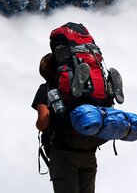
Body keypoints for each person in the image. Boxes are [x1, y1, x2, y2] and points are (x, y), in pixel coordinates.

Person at [32, 53, 104, 193]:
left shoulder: (45, 88)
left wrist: (38, 125)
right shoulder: (83, 87)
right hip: (88, 149)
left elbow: (43, 122)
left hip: (63, 153)